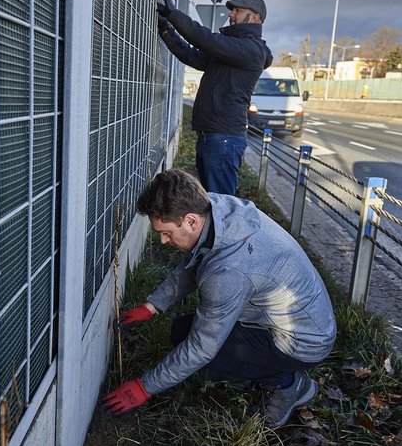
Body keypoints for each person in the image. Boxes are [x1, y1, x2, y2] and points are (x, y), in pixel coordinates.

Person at [100, 169, 336, 428]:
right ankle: (259, 369)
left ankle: (288, 383)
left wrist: (144, 387)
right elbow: (197, 260)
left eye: (166, 232)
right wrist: (154, 304)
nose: (163, 240)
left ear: (190, 221)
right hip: (303, 318)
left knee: (204, 349)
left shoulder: (228, 271)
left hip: (302, 342)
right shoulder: (216, 209)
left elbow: (202, 347)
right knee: (182, 330)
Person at [156, 0, 273, 195]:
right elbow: (193, 56)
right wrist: (166, 30)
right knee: (213, 201)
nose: (231, 14)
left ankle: (223, 230)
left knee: (222, 205)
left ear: (255, 18)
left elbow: (207, 40)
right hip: (213, 137)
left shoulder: (251, 50)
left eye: (237, 10)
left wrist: (173, 14)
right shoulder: (232, 51)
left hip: (224, 139)